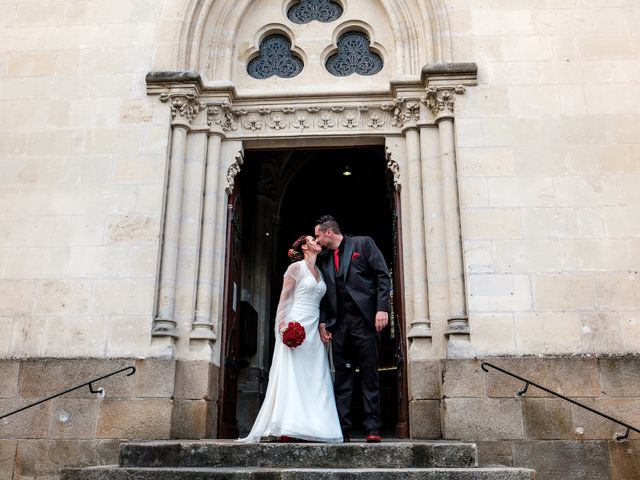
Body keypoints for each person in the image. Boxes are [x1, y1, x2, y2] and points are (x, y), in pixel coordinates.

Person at [238, 235, 342, 443]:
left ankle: (318, 426)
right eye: (313, 239)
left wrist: (322, 326)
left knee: (316, 376)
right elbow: (284, 300)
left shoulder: (320, 272)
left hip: (313, 328)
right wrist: (283, 328)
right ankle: (289, 425)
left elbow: (321, 304)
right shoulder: (295, 269)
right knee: (294, 375)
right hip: (297, 323)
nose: (317, 241)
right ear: (305, 246)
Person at [314, 215, 391, 443]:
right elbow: (324, 295)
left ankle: (373, 428)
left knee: (369, 375)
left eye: (318, 235)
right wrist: (323, 323)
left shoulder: (362, 244)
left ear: (329, 233)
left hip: (365, 321)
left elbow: (382, 276)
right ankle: (342, 429)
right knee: (343, 378)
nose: (317, 240)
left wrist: (382, 309)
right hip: (339, 325)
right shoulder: (324, 260)